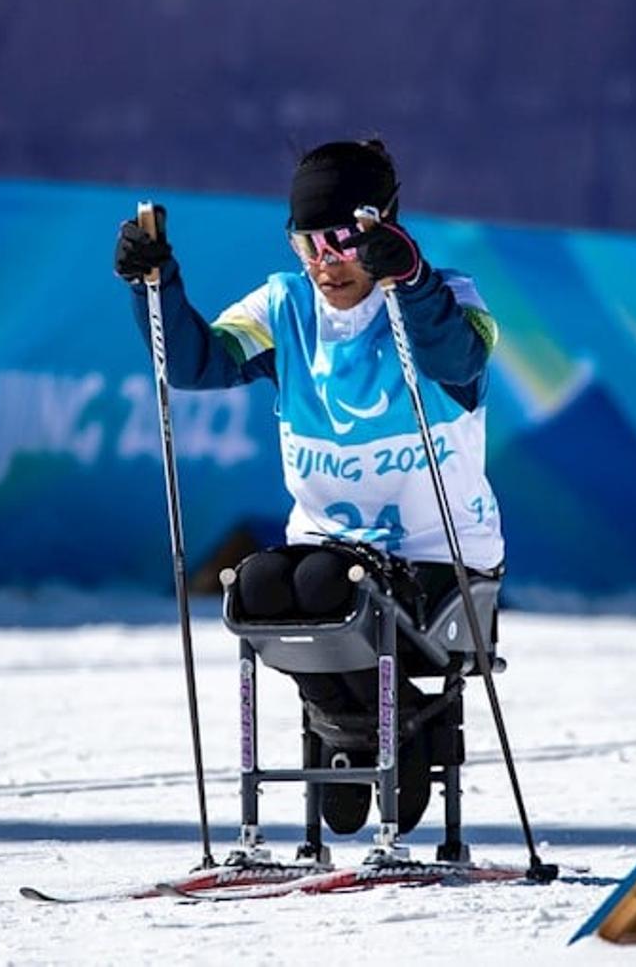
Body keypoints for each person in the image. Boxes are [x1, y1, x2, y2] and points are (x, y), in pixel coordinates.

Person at [113, 139, 504, 838]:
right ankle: (372, 733)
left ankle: (373, 734)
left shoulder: (450, 297)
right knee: (257, 586)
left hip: (443, 564)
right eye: (310, 244)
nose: (326, 263)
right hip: (329, 552)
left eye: (344, 242)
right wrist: (155, 286)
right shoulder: (284, 306)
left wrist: (409, 279)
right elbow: (198, 364)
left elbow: (459, 357)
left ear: (382, 226)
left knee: (329, 584)